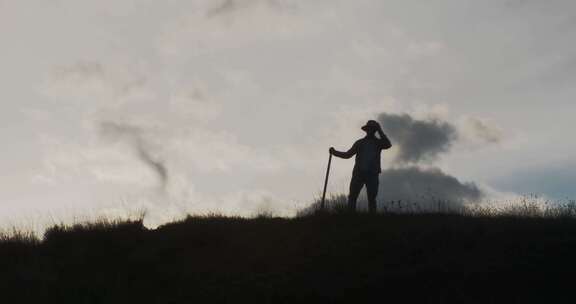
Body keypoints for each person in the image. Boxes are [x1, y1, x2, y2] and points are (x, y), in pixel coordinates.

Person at [330, 120, 392, 213]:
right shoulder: (360, 143)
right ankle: (350, 217)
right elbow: (348, 155)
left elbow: (388, 145)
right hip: (359, 173)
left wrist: (380, 130)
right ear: (366, 130)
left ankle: (372, 220)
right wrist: (335, 153)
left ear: (375, 130)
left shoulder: (378, 143)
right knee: (352, 197)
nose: (370, 131)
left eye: (373, 129)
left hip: (372, 173)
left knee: (371, 198)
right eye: (369, 129)